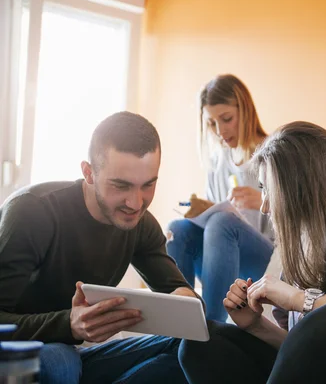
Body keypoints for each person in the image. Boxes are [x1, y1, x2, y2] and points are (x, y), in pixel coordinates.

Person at [177, 121, 326, 383]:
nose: (265, 207)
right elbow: (301, 353)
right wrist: (257, 326)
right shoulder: (300, 248)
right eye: (262, 189)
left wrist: (300, 299)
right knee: (202, 342)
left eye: (270, 191)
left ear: (303, 192)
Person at [0, 112, 199, 384]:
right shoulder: (32, 212)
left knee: (192, 348)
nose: (136, 203)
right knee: (60, 361)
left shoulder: (140, 224)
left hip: (75, 352)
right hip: (21, 352)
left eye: (148, 185)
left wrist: (186, 302)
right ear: (88, 172)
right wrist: (68, 325)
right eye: (121, 186)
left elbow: (183, 297)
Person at [166, 74, 274, 322]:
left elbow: (299, 223)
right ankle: (178, 323)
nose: (220, 131)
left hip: (270, 259)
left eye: (226, 119)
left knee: (222, 223)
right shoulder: (217, 162)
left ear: (244, 111)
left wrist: (264, 201)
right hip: (225, 255)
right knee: (177, 229)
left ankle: (213, 329)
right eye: (212, 123)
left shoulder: (272, 155)